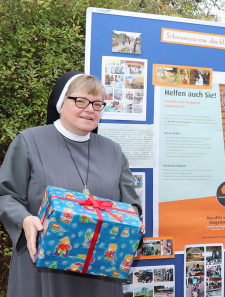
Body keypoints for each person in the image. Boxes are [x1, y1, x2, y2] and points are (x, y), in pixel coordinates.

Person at [0, 71, 142, 297]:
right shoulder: (29, 141)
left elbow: (131, 205)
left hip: (100, 270)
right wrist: (25, 220)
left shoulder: (113, 151)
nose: (90, 109)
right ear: (61, 103)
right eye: (81, 101)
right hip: (42, 266)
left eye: (97, 104)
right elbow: (6, 196)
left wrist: (127, 225)